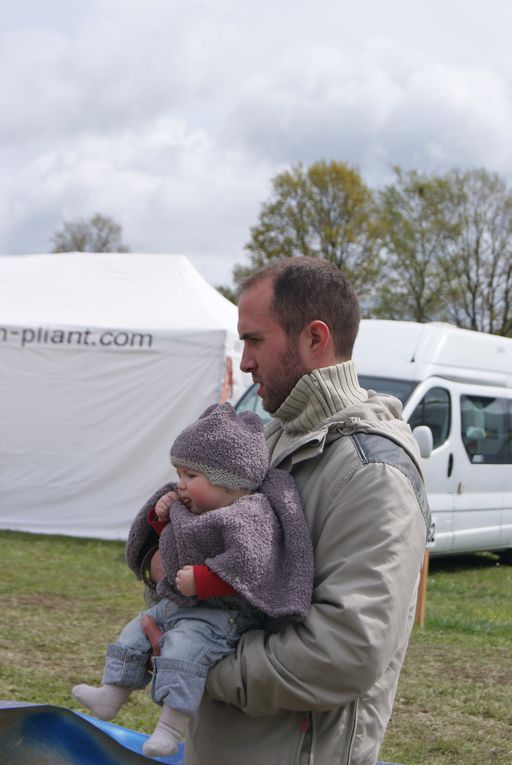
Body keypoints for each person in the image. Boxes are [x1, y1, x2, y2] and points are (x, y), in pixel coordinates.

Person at [168, 256, 429, 765]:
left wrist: (193, 661)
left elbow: (343, 653)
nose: (244, 361)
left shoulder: (372, 472)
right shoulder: (270, 438)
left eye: (255, 340)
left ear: (314, 338)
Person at [71, 403, 313, 758]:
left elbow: (250, 565)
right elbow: (176, 544)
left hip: (222, 614)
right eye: (179, 474)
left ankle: (171, 727)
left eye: (191, 476)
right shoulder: (199, 509)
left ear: (229, 481)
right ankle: (112, 693)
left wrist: (204, 580)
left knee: (186, 650)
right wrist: (161, 519)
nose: (180, 485)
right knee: (137, 630)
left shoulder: (252, 515)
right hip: (183, 601)